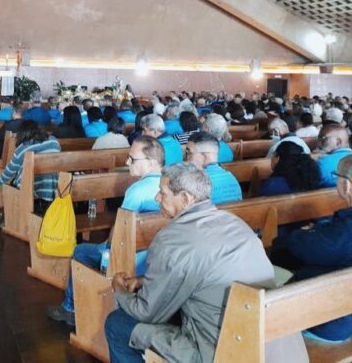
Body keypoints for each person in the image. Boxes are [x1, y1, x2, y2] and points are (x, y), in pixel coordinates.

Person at [104, 162, 308, 363]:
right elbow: (203, 272)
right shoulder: (234, 222)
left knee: (117, 324)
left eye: (163, 193)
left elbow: (146, 313)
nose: (157, 198)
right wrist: (145, 280)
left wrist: (118, 289)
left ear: (185, 198)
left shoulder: (171, 239)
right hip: (270, 339)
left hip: (222, 351)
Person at [46, 136, 164, 326]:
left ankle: (70, 308)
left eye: (132, 159)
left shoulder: (137, 191)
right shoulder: (170, 186)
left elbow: (120, 233)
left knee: (80, 251)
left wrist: (107, 248)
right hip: (158, 257)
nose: (127, 162)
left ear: (150, 162)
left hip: (133, 259)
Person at [282, 153, 352, 342]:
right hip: (351, 308)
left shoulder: (348, 232)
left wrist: (304, 233)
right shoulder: (350, 226)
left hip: (327, 320)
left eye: (337, 176)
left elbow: (299, 246)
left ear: (346, 185)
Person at [0, 121, 61, 210]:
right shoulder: (54, 141)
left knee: (13, 181)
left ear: (22, 134)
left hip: (29, 190)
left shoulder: (23, 148)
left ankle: (10, 215)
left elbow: (9, 171)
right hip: (52, 187)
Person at [184, 131, 242, 204]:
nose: (186, 158)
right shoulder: (231, 177)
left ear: (204, 156)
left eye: (189, 153)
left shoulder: (193, 182)